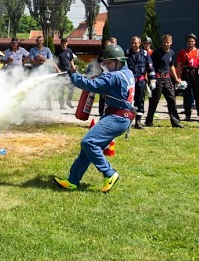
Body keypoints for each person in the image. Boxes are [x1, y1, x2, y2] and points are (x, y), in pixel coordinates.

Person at [53, 44, 132, 193]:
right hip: (120, 117)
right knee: (87, 149)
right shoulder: (127, 73)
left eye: (109, 63)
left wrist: (73, 74)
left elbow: (90, 84)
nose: (106, 66)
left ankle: (109, 173)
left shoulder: (114, 76)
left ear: (118, 61)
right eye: (105, 63)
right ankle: (73, 181)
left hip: (117, 117)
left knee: (88, 142)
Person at [146, 34, 183, 128]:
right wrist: (150, 77)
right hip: (157, 79)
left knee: (172, 100)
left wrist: (176, 78)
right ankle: (149, 121)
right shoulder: (157, 53)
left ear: (171, 43)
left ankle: (175, 122)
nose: (166, 44)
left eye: (168, 42)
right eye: (164, 42)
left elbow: (171, 66)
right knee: (154, 100)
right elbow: (150, 65)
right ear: (162, 42)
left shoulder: (171, 53)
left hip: (167, 79)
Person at [125, 35, 155, 129]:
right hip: (128, 82)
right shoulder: (126, 53)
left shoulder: (145, 54)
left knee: (140, 101)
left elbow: (150, 67)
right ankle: (125, 122)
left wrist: (152, 79)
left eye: (135, 43)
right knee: (127, 101)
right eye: (132, 43)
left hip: (140, 82)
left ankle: (138, 122)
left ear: (139, 43)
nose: (134, 44)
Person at [55, 37, 77, 108]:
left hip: (69, 70)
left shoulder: (69, 51)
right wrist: (57, 69)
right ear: (61, 43)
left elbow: (71, 60)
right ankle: (61, 104)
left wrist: (73, 67)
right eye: (63, 43)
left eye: (65, 43)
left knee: (72, 86)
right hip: (61, 71)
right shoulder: (58, 51)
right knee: (61, 88)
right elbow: (54, 61)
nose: (64, 44)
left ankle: (68, 101)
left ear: (67, 43)